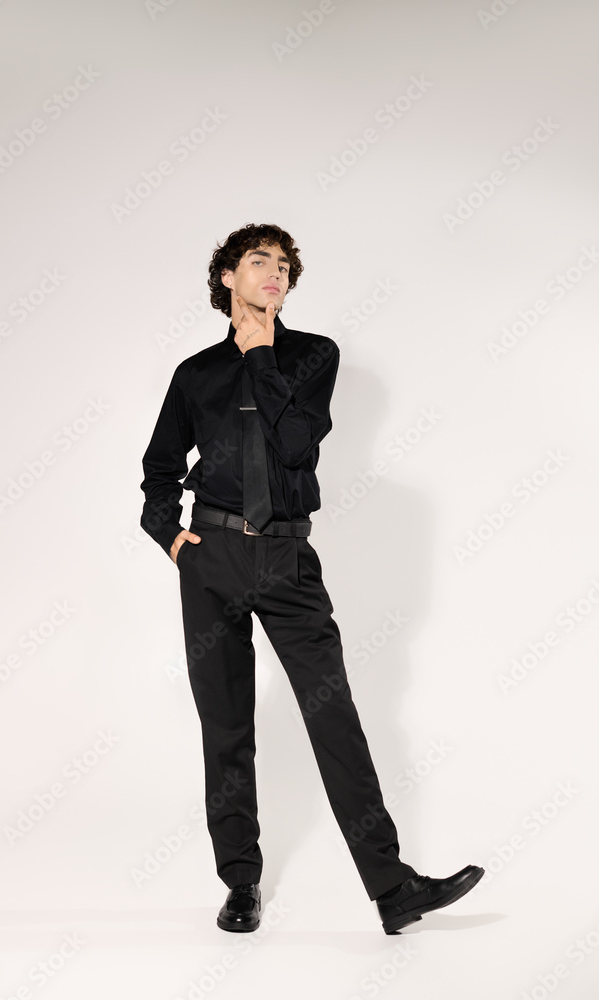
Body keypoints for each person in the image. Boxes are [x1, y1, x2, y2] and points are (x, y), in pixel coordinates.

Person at [139, 222, 484, 934]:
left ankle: (392, 889)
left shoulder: (312, 355)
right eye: (258, 261)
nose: (275, 273)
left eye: (285, 266)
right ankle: (240, 883)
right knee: (226, 726)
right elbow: (159, 471)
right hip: (211, 558)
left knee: (335, 718)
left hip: (287, 559)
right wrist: (173, 539)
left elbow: (296, 445)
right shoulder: (195, 374)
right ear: (228, 277)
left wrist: (262, 357)